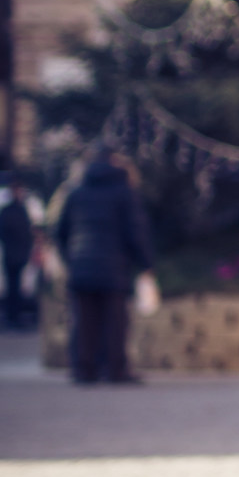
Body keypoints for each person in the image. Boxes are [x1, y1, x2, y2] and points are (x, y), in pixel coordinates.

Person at [55, 146, 154, 385]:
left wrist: (71, 258)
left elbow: (60, 231)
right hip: (113, 265)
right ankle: (115, 370)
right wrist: (146, 263)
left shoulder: (76, 191)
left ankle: (84, 369)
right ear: (115, 162)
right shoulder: (124, 192)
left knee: (84, 320)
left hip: (81, 264)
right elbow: (135, 231)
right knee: (114, 321)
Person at [0, 181, 36, 329]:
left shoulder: (19, 210)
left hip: (16, 255)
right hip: (12, 255)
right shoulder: (10, 211)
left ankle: (14, 317)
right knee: (12, 288)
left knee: (15, 288)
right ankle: (12, 318)